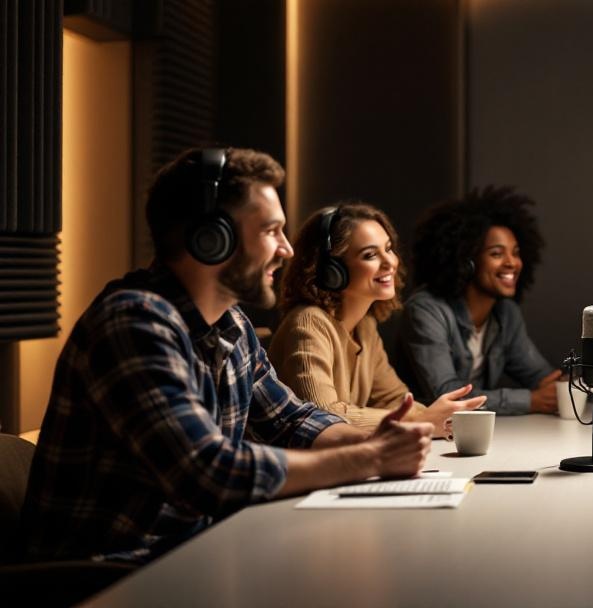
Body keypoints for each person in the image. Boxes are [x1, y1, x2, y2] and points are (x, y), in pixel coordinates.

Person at [21, 148, 433, 564]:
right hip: (112, 575)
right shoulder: (134, 324)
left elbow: (291, 420)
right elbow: (208, 473)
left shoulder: (231, 323)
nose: (288, 250)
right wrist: (370, 458)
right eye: (271, 231)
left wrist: (380, 438)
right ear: (212, 239)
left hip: (193, 554)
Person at [270, 203, 486, 437]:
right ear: (331, 271)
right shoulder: (308, 323)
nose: (390, 262)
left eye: (389, 249)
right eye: (370, 255)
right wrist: (420, 420)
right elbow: (322, 415)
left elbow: (394, 399)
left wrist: (442, 418)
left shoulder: (365, 327)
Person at [398, 186, 561, 415]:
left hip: (475, 435)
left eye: (515, 253)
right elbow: (446, 394)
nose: (512, 263)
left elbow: (541, 377)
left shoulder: (506, 313)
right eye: (497, 253)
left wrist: (577, 380)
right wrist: (530, 400)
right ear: (467, 261)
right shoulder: (426, 310)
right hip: (426, 437)